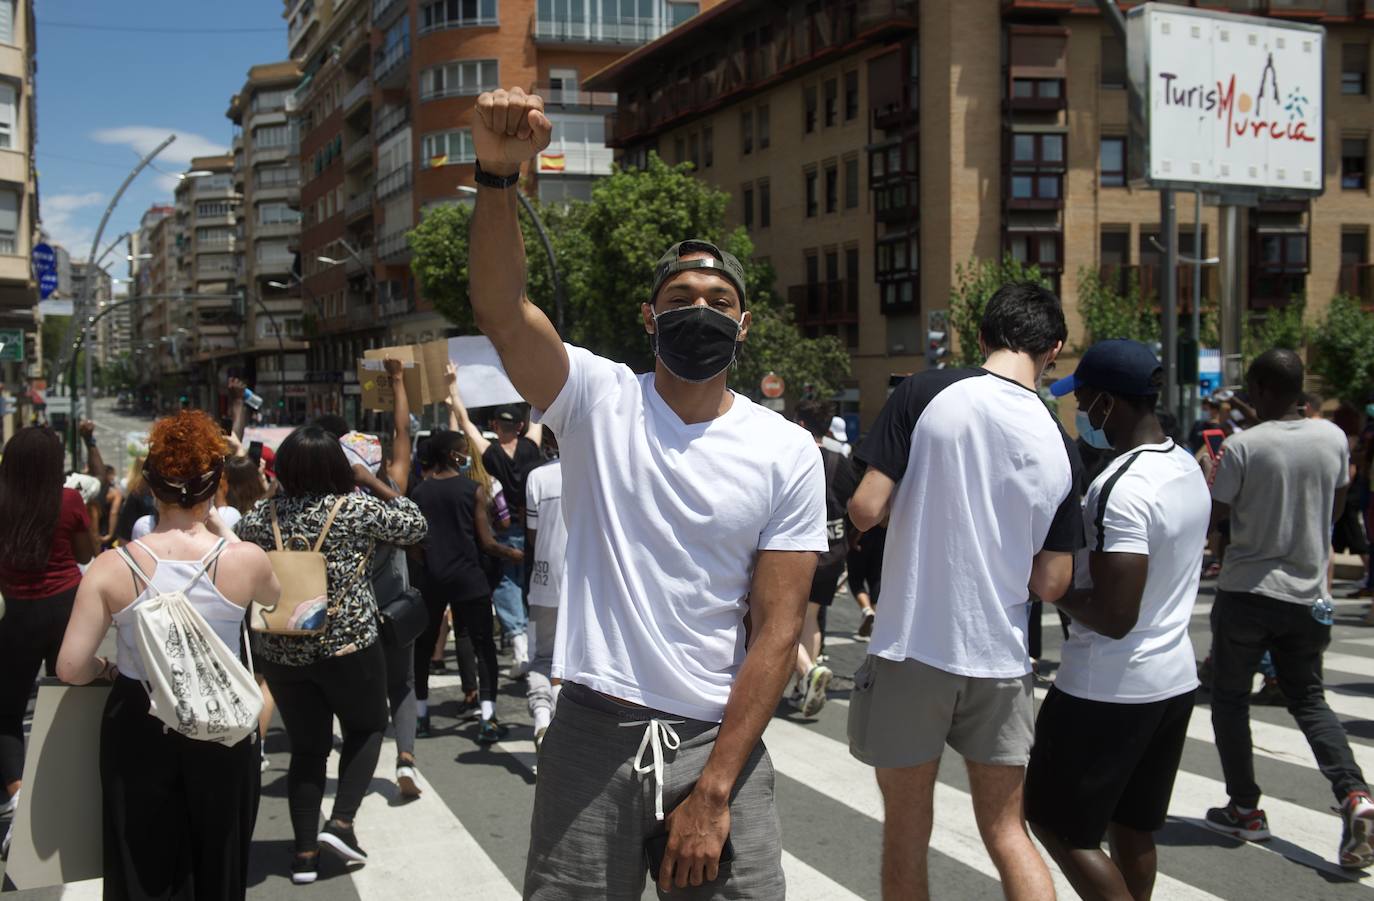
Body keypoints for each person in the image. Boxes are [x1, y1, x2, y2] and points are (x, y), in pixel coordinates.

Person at [469, 85, 827, 899]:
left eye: (719, 303)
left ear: (744, 326)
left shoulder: (786, 451)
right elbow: (500, 309)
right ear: (648, 316)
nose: (698, 311)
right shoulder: (597, 399)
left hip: (716, 742)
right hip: (590, 732)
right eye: (680, 300)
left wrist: (715, 787)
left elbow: (776, 632)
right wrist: (496, 179)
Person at [846, 281, 1083, 901]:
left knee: (906, 830)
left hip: (913, 645)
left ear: (981, 336)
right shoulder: (1063, 445)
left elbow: (866, 507)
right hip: (1001, 657)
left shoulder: (927, 392)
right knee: (1008, 831)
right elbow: (1053, 581)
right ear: (1053, 350)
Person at [56, 411, 280, 901]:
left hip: (140, 716)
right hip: (221, 720)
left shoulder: (111, 567)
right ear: (215, 486)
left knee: (141, 864)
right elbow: (274, 596)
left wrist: (108, 668)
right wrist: (224, 532)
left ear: (150, 485)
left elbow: (71, 668)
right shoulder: (244, 559)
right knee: (218, 859)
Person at [1024, 340, 1210, 900]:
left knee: (1058, 824)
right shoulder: (1185, 465)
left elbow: (1114, 615)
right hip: (1171, 680)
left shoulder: (1120, 488)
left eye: (1082, 399)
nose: (1078, 410)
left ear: (1107, 403)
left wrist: (1049, 586)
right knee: (1132, 824)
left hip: (1107, 687)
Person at [1203, 349, 1374, 869]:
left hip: (1248, 593)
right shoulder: (1331, 438)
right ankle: (1355, 796)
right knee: (1309, 699)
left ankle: (1245, 807)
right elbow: (1338, 505)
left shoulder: (1240, 447)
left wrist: (1218, 478)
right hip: (1306, 593)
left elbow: (1219, 517)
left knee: (1231, 701)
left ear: (1259, 388)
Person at [235, 425, 427, 884]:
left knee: (307, 748)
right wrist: (375, 481)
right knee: (366, 727)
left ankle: (303, 854)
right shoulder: (355, 509)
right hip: (348, 645)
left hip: (281, 649)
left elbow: (239, 543)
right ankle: (340, 823)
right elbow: (415, 523)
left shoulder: (261, 518)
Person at [0, 425, 99, 826]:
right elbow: (86, 552)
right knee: (68, 697)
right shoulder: (69, 500)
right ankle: (67, 788)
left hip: (14, 612)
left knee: (6, 708)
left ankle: (15, 794)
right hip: (64, 607)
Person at [411, 427, 521, 743]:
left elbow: (415, 545)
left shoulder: (420, 492)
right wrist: (513, 553)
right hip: (470, 578)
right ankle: (488, 717)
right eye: (462, 451)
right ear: (452, 455)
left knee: (423, 647)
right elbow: (486, 542)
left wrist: (430, 562)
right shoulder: (472, 490)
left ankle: (421, 715)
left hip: (432, 579)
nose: (466, 456)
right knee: (483, 645)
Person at [362, 359, 426, 797]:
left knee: (363, 694)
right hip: (396, 610)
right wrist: (399, 381)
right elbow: (402, 435)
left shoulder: (338, 508)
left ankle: (358, 763)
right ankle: (405, 759)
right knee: (401, 686)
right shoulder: (393, 495)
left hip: (351, 619)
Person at [448, 387, 542, 675]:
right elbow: (538, 407)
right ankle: (535, 647)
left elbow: (464, 423)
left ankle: (520, 646)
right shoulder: (531, 448)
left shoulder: (491, 455)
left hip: (503, 531)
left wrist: (453, 389)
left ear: (495, 427)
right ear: (521, 427)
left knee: (506, 587)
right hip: (536, 529)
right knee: (533, 586)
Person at [790, 399, 858, 716]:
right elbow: (853, 505)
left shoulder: (794, 456)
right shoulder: (839, 460)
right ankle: (806, 681)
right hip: (833, 553)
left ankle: (807, 672)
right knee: (812, 618)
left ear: (801, 424)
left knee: (781, 620)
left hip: (799, 552)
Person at [524, 448, 567, 759]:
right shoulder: (597, 467)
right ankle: (563, 729)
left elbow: (531, 534)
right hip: (586, 584)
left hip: (544, 581)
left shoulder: (537, 477)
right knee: (576, 664)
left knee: (542, 658)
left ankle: (542, 718)